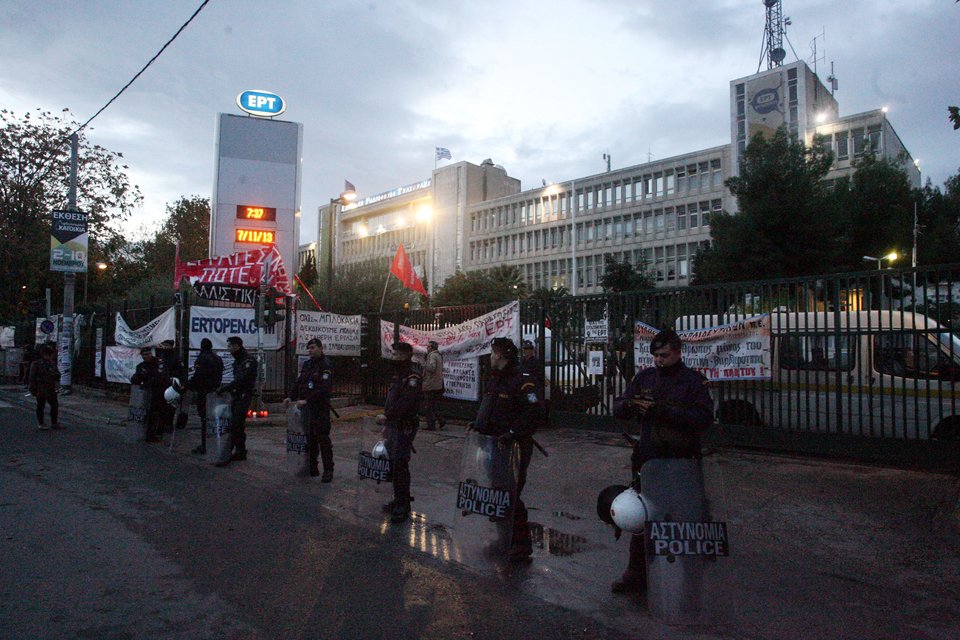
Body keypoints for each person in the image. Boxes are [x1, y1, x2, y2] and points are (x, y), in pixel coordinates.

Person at [610, 328, 713, 595]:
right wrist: (630, 406)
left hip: (681, 462)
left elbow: (703, 418)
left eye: (664, 355)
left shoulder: (693, 382)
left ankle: (690, 580)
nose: (659, 360)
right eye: (655, 355)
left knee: (685, 520)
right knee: (642, 518)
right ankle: (636, 574)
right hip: (649, 460)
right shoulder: (645, 377)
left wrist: (663, 411)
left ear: (678, 353)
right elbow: (619, 405)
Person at [472, 337, 546, 563]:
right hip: (493, 444)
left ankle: (521, 546)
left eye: (493, 353)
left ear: (502, 355)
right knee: (498, 494)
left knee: (511, 495)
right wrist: (478, 424)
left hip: (513, 446)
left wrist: (514, 432)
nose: (491, 357)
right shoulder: (497, 377)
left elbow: (534, 411)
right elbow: (492, 407)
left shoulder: (521, 379)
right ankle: (504, 540)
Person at [379, 341, 422, 523]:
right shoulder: (398, 375)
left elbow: (406, 402)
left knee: (400, 464)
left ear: (406, 355)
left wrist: (387, 418)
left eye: (397, 355)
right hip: (394, 425)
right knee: (393, 464)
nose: (394, 358)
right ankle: (398, 500)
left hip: (404, 425)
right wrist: (387, 425)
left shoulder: (412, 376)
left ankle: (403, 506)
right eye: (393, 354)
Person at [285, 338, 335, 480]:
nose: (310, 351)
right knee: (309, 439)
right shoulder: (308, 364)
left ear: (320, 348)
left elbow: (324, 389)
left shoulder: (326, 365)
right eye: (309, 348)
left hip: (319, 408)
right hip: (306, 409)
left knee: (322, 439)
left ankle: (328, 470)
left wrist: (307, 400)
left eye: (313, 347)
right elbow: (299, 382)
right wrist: (290, 396)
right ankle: (312, 467)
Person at [215, 336, 258, 467]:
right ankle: (241, 451)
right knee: (238, 425)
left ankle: (226, 455)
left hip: (244, 396)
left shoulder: (248, 361)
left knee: (235, 424)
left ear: (237, 346)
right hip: (237, 395)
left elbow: (242, 380)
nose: (229, 350)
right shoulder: (238, 361)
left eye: (230, 346)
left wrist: (226, 388)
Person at [187, 338, 223, 455]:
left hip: (203, 391)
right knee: (213, 419)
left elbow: (198, 376)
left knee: (204, 419)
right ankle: (214, 442)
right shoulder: (218, 359)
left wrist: (189, 386)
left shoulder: (202, 359)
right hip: (214, 391)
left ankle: (205, 444)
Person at [130, 346, 167, 442]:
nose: (147, 356)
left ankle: (156, 433)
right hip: (147, 394)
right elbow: (135, 379)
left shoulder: (158, 363)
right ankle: (149, 434)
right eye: (145, 355)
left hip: (158, 393)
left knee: (158, 413)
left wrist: (147, 382)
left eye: (149, 354)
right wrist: (139, 376)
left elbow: (160, 377)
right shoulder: (141, 366)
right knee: (149, 414)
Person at [29, 344, 61, 430]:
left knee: (54, 405)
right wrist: (32, 389)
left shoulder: (51, 363)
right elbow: (32, 378)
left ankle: (54, 422)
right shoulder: (37, 364)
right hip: (41, 387)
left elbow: (57, 374)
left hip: (50, 387)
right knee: (41, 405)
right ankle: (41, 423)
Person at [157, 339, 186, 433]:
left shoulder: (175, 358)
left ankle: (168, 424)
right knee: (161, 405)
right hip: (162, 384)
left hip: (172, 384)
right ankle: (162, 424)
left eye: (167, 345)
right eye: (164, 345)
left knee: (171, 405)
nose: (165, 347)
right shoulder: (162, 356)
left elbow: (180, 372)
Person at [422, 340, 446, 431]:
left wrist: (423, 364)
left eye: (428, 347)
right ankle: (441, 419)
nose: (427, 348)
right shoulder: (438, 355)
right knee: (433, 405)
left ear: (432, 348)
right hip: (437, 384)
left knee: (428, 406)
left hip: (430, 384)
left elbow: (432, 368)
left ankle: (431, 425)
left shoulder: (432, 355)